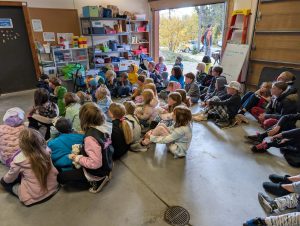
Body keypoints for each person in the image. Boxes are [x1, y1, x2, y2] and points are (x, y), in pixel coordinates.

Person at [57, 103, 113, 193]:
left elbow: (95, 163)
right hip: (107, 163)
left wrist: (77, 158)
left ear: (83, 119)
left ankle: (96, 182)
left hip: (97, 172)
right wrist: (82, 148)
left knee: (60, 177)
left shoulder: (90, 138)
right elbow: (103, 147)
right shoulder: (105, 127)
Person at [0, 128, 59, 206]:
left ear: (22, 145)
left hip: (34, 196)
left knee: (4, 182)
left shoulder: (18, 161)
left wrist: (4, 180)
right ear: (40, 139)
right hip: (53, 187)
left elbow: (9, 179)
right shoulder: (47, 151)